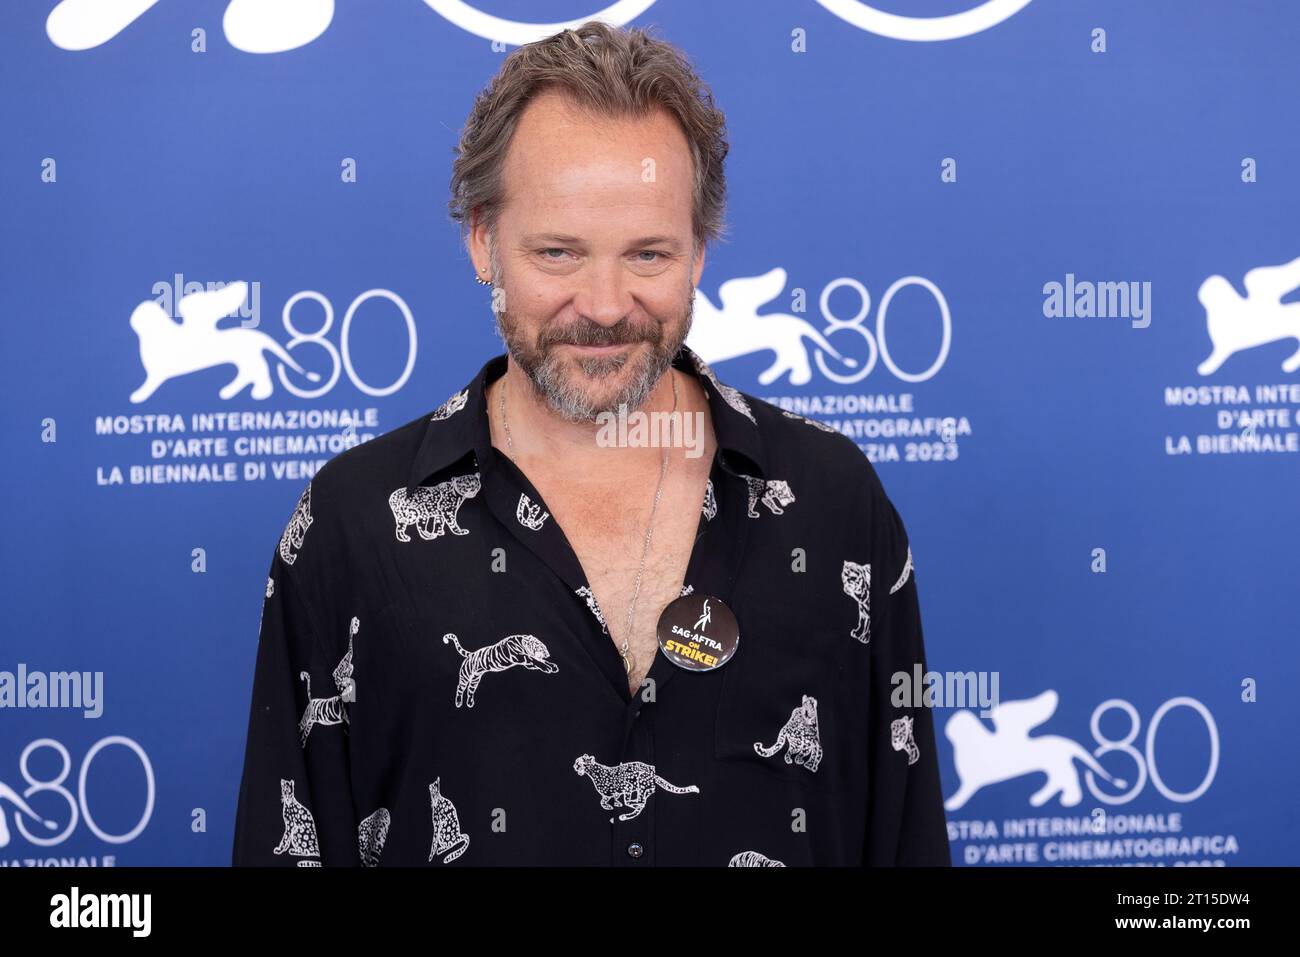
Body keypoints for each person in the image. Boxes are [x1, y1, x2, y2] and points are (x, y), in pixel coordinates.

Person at [232, 20, 950, 867]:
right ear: (481, 242)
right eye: (558, 253)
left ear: (700, 255)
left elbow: (903, 836)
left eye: (648, 253)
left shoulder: (834, 504)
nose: (605, 305)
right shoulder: (352, 528)